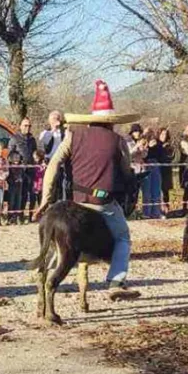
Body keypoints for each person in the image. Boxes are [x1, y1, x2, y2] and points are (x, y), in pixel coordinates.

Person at [35, 79, 141, 301]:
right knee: (123, 237)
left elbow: (53, 164)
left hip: (76, 201)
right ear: (111, 121)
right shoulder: (118, 141)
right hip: (104, 203)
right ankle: (116, 281)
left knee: (60, 247)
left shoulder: (73, 135)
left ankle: (45, 280)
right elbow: (127, 172)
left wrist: (45, 199)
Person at [8, 117, 37, 223]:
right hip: (18, 171)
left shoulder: (32, 139)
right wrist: (17, 160)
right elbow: (10, 154)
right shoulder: (14, 138)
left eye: (29, 126)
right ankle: (13, 216)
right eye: (25, 125)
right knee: (16, 195)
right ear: (20, 126)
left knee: (28, 194)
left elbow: (34, 152)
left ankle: (24, 215)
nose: (27, 128)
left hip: (30, 170)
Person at [39, 111, 69, 201]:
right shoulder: (45, 132)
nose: (56, 120)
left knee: (62, 186)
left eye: (57, 118)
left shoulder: (64, 132)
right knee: (50, 186)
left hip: (62, 162)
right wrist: (53, 130)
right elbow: (44, 143)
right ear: (49, 120)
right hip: (50, 161)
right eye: (53, 118)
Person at [140, 127, 163, 219]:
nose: (149, 135)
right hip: (146, 165)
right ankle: (146, 213)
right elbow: (143, 155)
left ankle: (156, 212)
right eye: (147, 133)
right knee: (147, 191)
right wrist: (147, 146)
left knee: (156, 189)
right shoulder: (142, 142)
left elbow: (160, 155)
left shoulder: (157, 142)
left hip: (156, 164)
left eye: (151, 133)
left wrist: (157, 145)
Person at [158, 127, 175, 215]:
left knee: (166, 190)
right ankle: (160, 209)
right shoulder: (156, 144)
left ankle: (167, 209)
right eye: (162, 134)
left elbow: (172, 157)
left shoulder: (169, 145)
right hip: (158, 169)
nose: (164, 136)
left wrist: (169, 149)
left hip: (167, 170)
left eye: (166, 134)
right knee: (158, 190)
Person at [6, 151, 24, 225]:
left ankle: (16, 217)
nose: (16, 160)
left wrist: (21, 179)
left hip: (19, 187)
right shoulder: (9, 167)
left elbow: (23, 175)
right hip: (12, 187)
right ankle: (10, 217)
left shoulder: (21, 167)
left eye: (18, 158)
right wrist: (13, 180)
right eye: (15, 158)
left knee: (18, 202)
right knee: (11, 202)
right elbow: (8, 177)